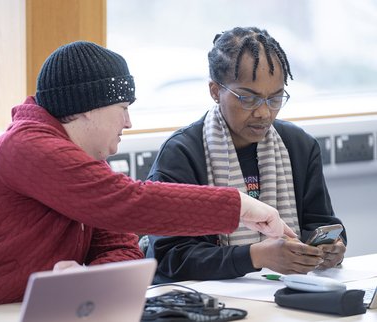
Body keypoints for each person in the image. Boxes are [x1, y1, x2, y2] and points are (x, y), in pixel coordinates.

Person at [0, 41, 295, 310]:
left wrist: (91, 279)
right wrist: (241, 207)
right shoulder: (26, 147)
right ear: (86, 109)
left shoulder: (85, 161)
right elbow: (130, 203)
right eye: (123, 109)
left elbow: (121, 246)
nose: (128, 123)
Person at [145, 27, 347, 284]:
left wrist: (331, 249)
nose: (264, 113)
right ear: (215, 91)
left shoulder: (299, 146)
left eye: (274, 99)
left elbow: (321, 223)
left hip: (284, 296)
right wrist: (254, 256)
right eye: (248, 99)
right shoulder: (182, 154)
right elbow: (170, 258)